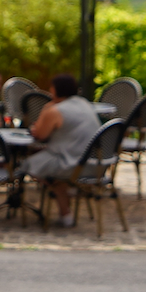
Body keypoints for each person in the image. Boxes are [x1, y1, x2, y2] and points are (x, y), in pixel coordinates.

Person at [26, 74, 105, 227]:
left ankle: (65, 209)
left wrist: (46, 108)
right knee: (51, 169)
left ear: (55, 90)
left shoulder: (55, 110)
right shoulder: (85, 104)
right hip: (97, 165)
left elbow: (40, 135)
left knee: (31, 166)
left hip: (73, 166)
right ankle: (65, 211)